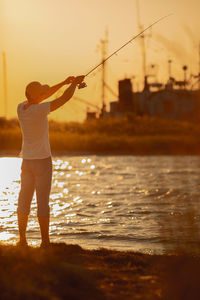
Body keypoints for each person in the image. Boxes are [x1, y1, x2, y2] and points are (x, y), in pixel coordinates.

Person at [17, 75, 85, 248]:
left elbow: (43, 96)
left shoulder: (21, 109)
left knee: (24, 200)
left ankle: (22, 240)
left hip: (26, 162)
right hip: (42, 162)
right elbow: (65, 98)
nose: (45, 94)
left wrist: (64, 82)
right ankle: (45, 242)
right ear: (38, 96)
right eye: (43, 93)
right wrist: (74, 85)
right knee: (42, 202)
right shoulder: (41, 110)